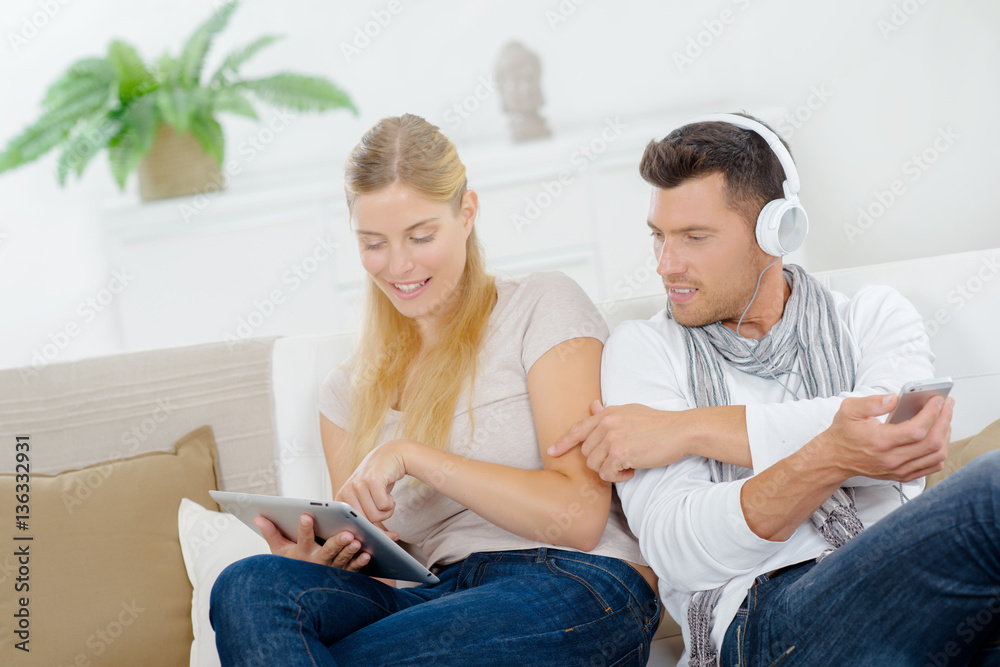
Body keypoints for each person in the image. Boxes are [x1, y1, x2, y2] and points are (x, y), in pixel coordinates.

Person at [549, 113, 1000, 666]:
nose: (667, 265)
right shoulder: (643, 349)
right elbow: (680, 548)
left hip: (902, 585)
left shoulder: (874, 316)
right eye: (659, 237)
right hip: (763, 616)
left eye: (694, 237)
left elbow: (899, 439)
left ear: (777, 232)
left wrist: (689, 428)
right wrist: (831, 454)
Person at [209, 113, 660, 666]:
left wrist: (412, 455)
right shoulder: (346, 393)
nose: (398, 265)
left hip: (570, 580)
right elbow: (391, 570)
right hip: (435, 597)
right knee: (249, 585)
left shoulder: (541, 306)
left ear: (466, 213)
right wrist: (323, 561)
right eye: (373, 243)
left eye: (421, 236)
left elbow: (579, 517)